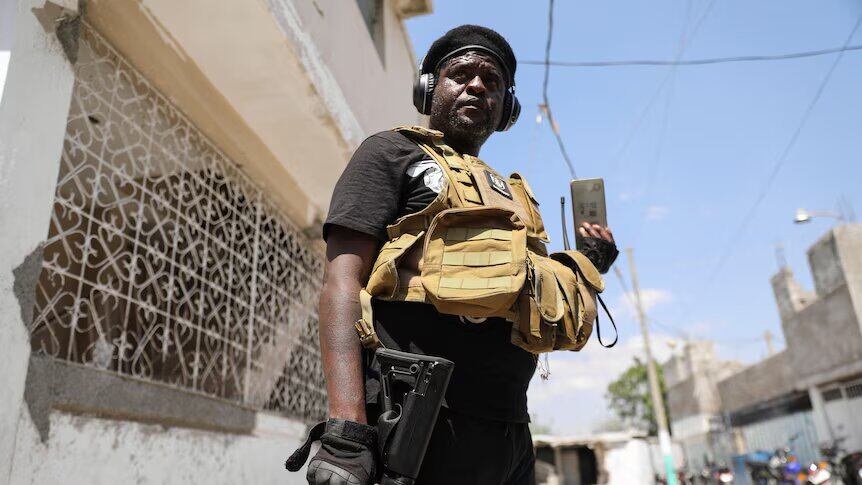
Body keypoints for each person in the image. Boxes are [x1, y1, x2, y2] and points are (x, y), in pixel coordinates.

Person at [306, 25, 618, 485]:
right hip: (422, 421)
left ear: (506, 107)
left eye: (491, 82)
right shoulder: (392, 153)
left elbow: (528, 297)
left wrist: (587, 261)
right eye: (461, 74)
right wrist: (347, 428)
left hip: (511, 430)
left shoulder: (513, 196)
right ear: (429, 88)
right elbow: (341, 283)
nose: (476, 86)